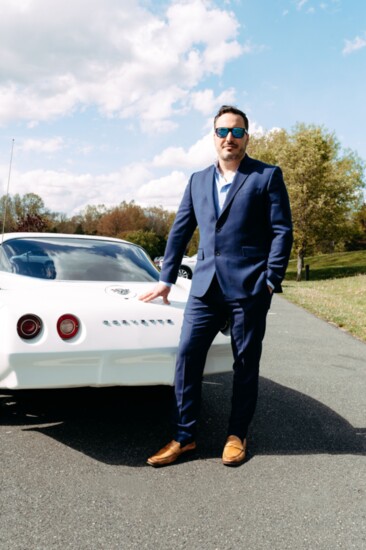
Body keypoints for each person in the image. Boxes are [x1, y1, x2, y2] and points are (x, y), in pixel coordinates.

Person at [139, 105, 293, 467]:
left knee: (244, 363)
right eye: (223, 132)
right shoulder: (196, 180)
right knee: (188, 357)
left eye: (237, 132)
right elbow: (180, 230)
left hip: (249, 288)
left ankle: (237, 434)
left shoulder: (266, 176)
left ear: (246, 138)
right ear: (213, 137)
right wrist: (166, 279)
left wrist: (270, 280)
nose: (229, 139)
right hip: (205, 288)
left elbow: (282, 231)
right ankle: (183, 436)